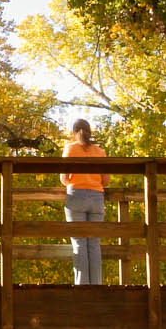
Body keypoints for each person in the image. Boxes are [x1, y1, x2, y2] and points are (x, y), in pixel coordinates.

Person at [61, 119, 106, 284]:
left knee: (79, 244)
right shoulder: (100, 152)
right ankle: (96, 286)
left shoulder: (70, 148)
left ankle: (82, 287)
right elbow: (105, 181)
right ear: (90, 132)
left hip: (76, 197)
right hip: (96, 198)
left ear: (74, 132)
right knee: (94, 244)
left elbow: (64, 178)